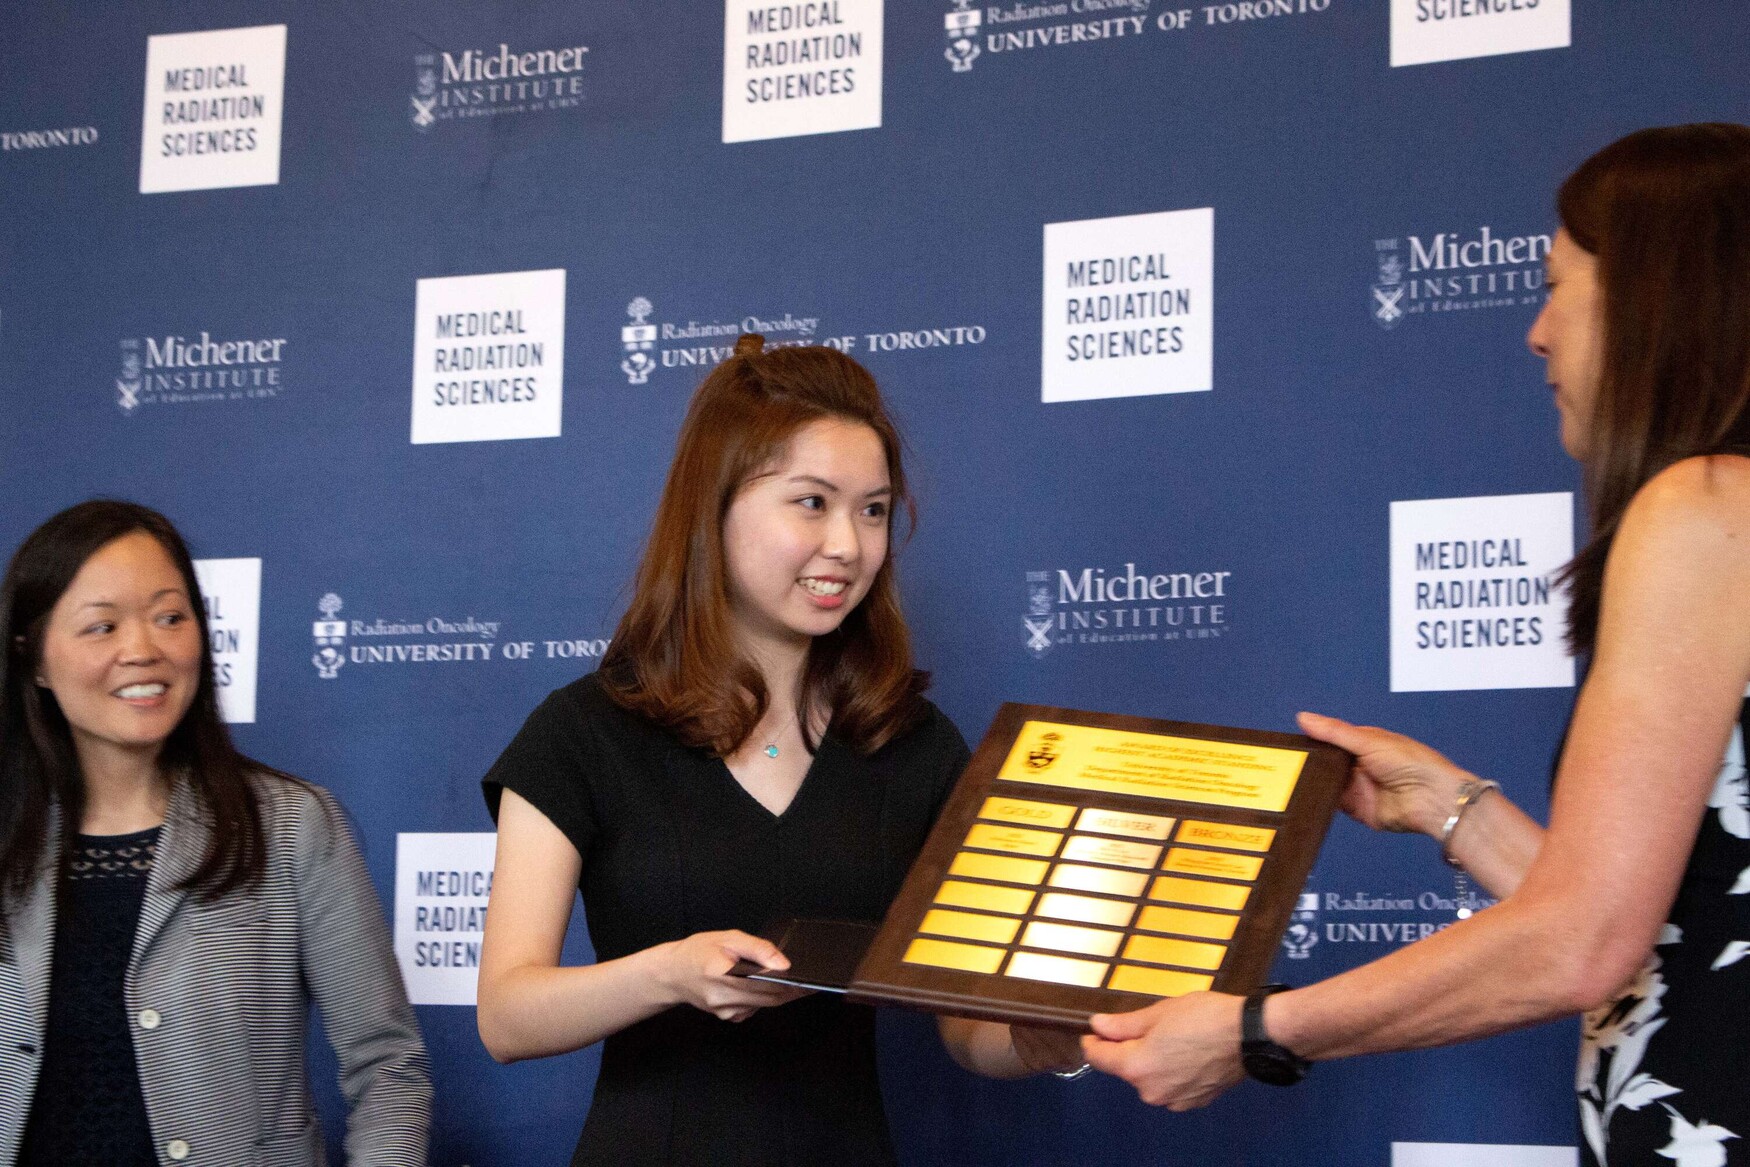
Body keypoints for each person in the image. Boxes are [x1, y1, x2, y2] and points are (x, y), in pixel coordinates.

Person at [1083, 123, 1750, 1165]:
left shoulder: (1706, 506)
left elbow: (1586, 944)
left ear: (1656, 297)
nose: (1535, 333)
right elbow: (1670, 922)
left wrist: (1254, 1030)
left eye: (1557, 284)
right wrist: (1449, 808)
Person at [476, 336, 1081, 1167]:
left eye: (873, 509)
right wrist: (670, 972)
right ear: (714, 506)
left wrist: (1044, 1040)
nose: (848, 544)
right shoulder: (582, 731)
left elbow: (969, 1025)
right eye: (812, 502)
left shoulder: (915, 745)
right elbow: (507, 1016)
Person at [0, 500, 432, 1167]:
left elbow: (388, 1068)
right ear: (32, 659)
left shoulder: (290, 824)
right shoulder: (9, 838)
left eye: (170, 616)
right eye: (101, 626)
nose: (143, 648)